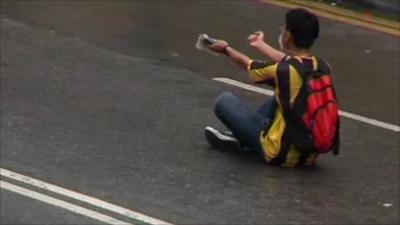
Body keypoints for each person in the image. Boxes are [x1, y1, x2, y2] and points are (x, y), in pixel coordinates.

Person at [204, 8, 338, 167]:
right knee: (282, 95)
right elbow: (290, 61)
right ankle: (245, 136)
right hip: (308, 154)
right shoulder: (323, 67)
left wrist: (225, 49)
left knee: (224, 101)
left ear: (288, 37)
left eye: (283, 28)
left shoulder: (283, 71)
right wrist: (260, 45)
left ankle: (245, 139)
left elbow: (248, 64)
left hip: (277, 152)